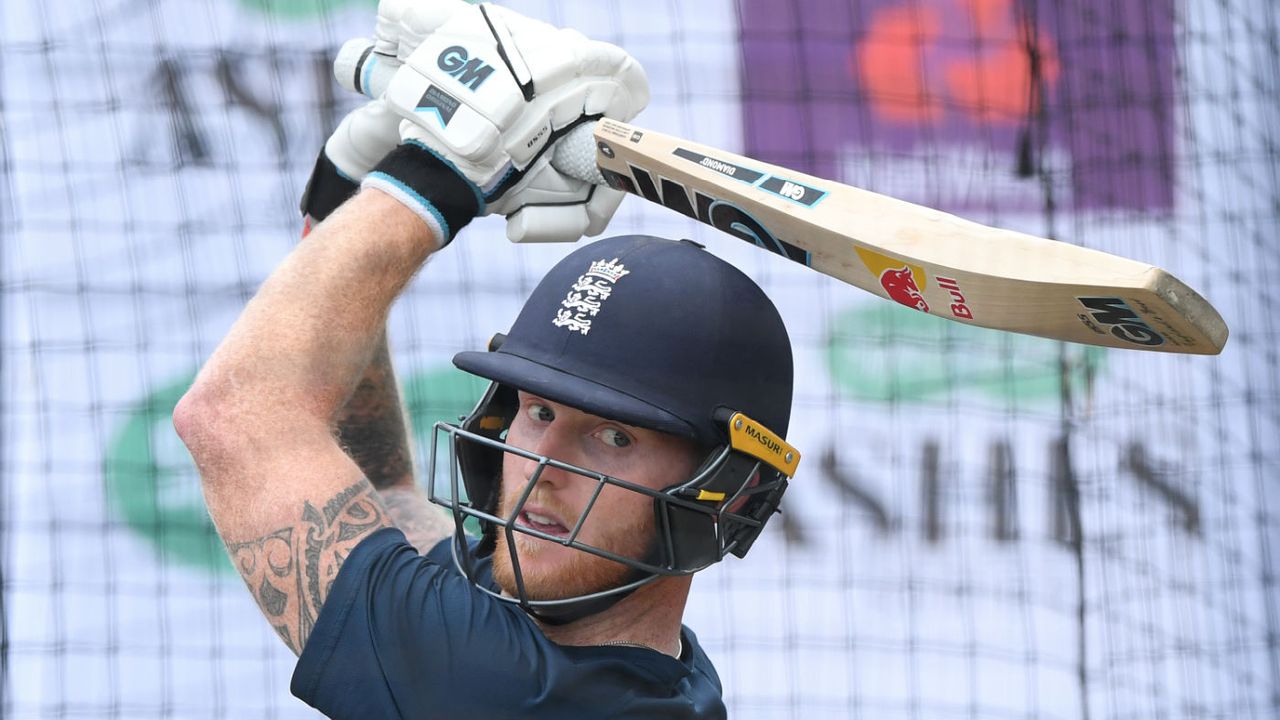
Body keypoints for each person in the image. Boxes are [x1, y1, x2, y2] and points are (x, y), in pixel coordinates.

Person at [174, 2, 799, 717]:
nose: (542, 464)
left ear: (729, 494)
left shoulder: (508, 692)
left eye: (614, 436)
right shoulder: (641, 667)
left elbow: (233, 417)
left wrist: (438, 172)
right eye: (537, 411)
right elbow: (386, 494)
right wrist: (348, 202)